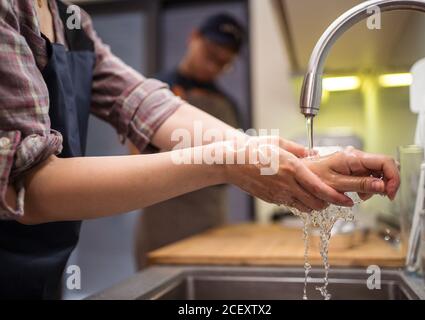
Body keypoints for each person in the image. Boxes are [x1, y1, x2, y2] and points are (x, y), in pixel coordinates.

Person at [0, 0, 400, 299]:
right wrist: (228, 162)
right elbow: (28, 186)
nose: (215, 67)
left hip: (48, 275)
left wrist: (299, 163)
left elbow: (145, 104)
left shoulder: (74, 24)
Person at [134, 13, 246, 270]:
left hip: (211, 222)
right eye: (210, 54)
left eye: (223, 63)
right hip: (162, 224)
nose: (212, 67)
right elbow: (136, 157)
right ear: (193, 37)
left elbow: (238, 164)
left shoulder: (228, 104)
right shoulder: (156, 90)